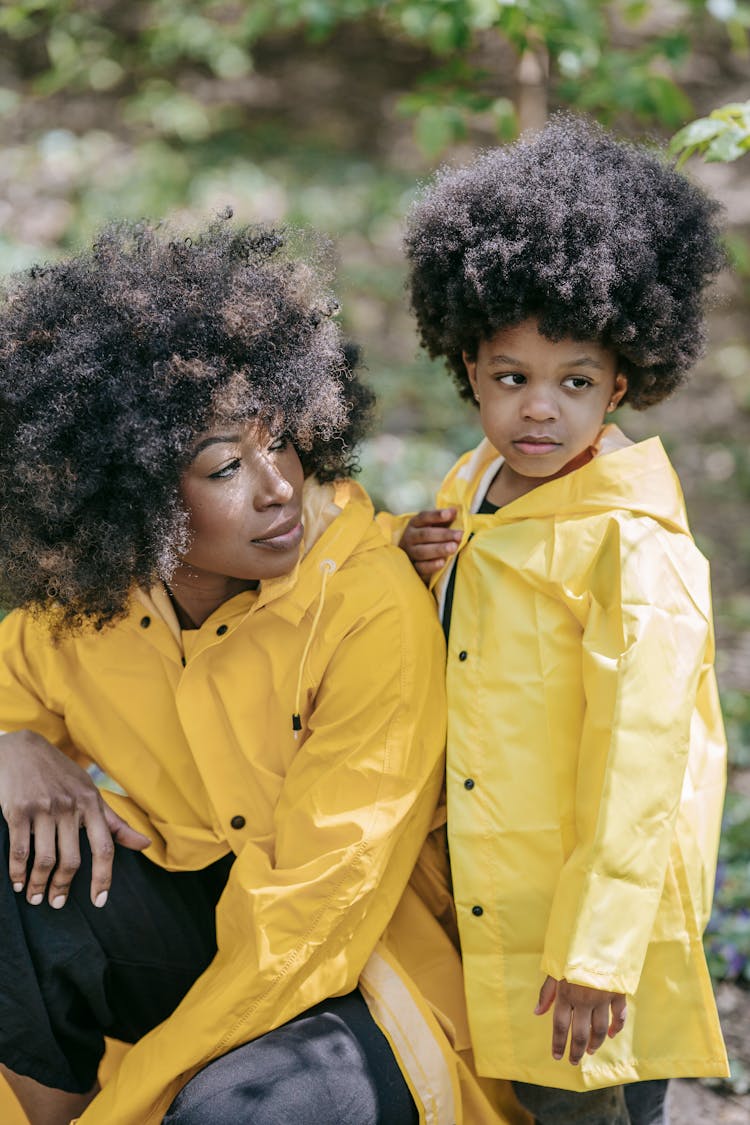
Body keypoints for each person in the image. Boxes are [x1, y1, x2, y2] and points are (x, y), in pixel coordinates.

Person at [0, 217, 522, 1125]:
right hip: (205, 930)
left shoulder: (368, 603)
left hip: (361, 973)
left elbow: (310, 926)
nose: (278, 485)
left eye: (278, 440)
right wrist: (8, 741)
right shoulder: (89, 608)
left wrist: (120, 1113)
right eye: (224, 466)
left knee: (235, 1113)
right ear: (129, 493)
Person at [394, 117, 730, 1124]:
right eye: (511, 378)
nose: (540, 410)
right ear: (467, 368)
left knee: (595, 1100)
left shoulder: (637, 545)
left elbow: (644, 756)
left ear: (622, 381)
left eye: (574, 382)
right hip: (497, 879)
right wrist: (418, 570)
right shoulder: (476, 480)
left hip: (594, 914)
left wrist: (599, 949)